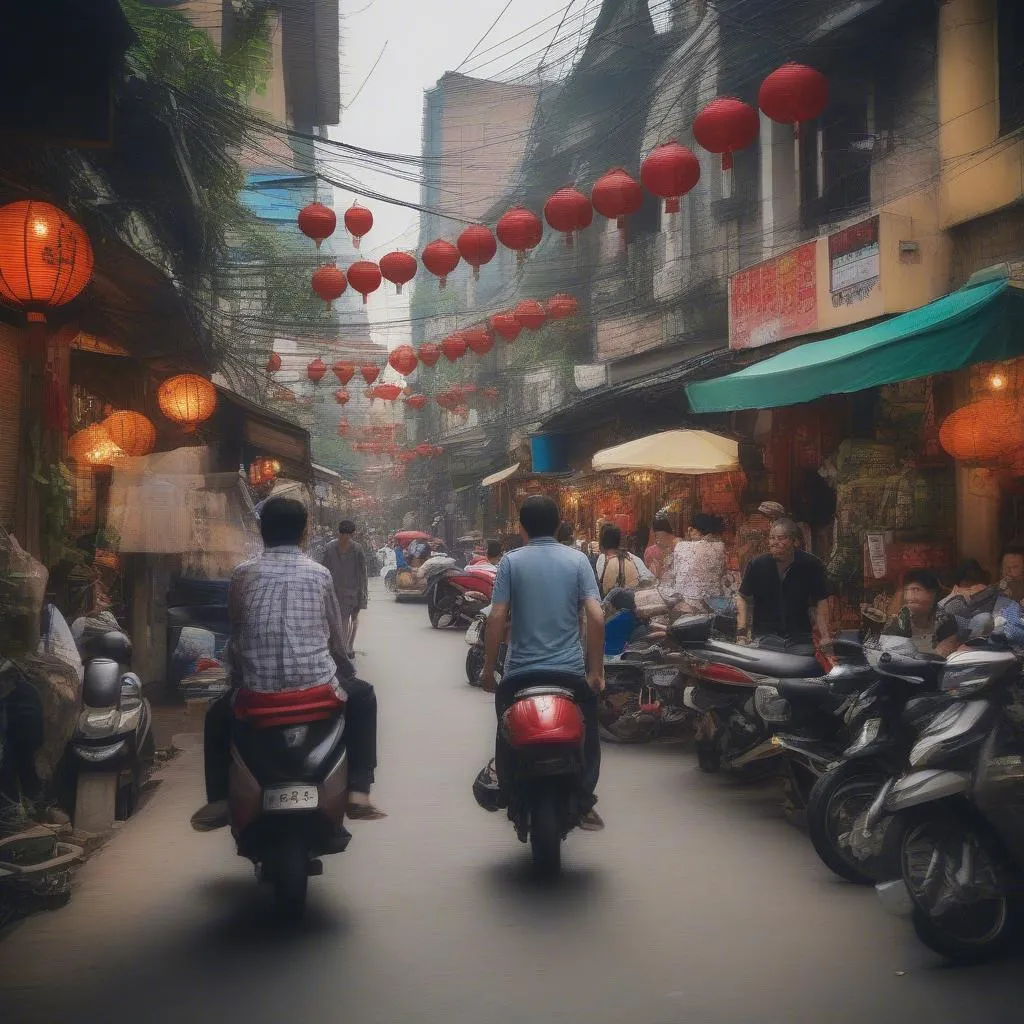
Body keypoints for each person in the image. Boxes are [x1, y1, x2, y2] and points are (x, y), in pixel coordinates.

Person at [191, 498, 384, 831]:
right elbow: (337, 640)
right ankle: (358, 790)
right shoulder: (320, 574)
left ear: (262, 531)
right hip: (317, 691)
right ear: (304, 533)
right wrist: (344, 666)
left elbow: (237, 630)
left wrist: (234, 669)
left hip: (256, 694)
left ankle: (219, 799)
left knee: (216, 714)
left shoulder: (242, 574)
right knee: (363, 696)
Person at [480, 495, 606, 831]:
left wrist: (488, 668)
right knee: (588, 731)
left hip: (520, 673)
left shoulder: (510, 562)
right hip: (568, 673)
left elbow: (496, 617)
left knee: (505, 730)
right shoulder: (578, 561)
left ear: (521, 527)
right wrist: (595, 671)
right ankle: (584, 797)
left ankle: (505, 785)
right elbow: (596, 615)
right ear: (560, 525)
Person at [737, 517, 832, 648]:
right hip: (765, 637)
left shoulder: (811, 565)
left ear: (795, 541)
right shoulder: (757, 565)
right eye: (772, 538)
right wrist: (741, 632)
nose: (775, 543)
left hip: (800, 637)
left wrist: (825, 636)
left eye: (781, 538)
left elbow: (820, 601)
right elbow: (742, 597)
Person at [940, 558, 1024, 643]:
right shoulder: (948, 607)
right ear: (957, 588)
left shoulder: (1003, 602)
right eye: (969, 588)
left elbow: (1016, 633)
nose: (973, 591)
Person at [319, 519, 368, 658]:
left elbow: (362, 574)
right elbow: (323, 569)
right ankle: (340, 648)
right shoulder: (329, 548)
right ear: (338, 534)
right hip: (333, 591)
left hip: (352, 592)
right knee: (337, 621)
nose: (344, 539)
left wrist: (363, 595)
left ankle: (347, 648)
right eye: (342, 536)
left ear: (352, 535)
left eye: (348, 536)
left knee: (350, 620)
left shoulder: (357, 549)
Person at [882, 570, 960, 657]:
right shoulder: (899, 621)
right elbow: (889, 653)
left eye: (916, 589)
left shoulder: (945, 620)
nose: (910, 595)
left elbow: (946, 651)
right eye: (907, 590)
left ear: (932, 593)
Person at [660, 512, 728, 613]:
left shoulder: (682, 546)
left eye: (690, 529)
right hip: (715, 603)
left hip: (690, 604)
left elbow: (670, 573)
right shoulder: (720, 546)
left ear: (693, 530)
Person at [594, 524, 654, 597]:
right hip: (634, 601)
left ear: (601, 544)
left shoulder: (602, 559)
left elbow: (605, 590)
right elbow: (650, 579)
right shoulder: (632, 558)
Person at [644, 512, 676, 580]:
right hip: (674, 580)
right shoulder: (676, 542)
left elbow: (647, 569)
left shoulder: (650, 551)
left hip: (656, 582)